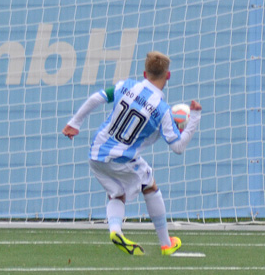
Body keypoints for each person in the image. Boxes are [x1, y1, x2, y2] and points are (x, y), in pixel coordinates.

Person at [62, 51, 201, 255]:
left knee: (117, 193)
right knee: (150, 185)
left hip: (96, 153)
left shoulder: (125, 85)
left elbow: (96, 98)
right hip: (121, 158)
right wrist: (195, 118)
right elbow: (177, 147)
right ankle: (166, 244)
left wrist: (74, 123)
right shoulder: (162, 110)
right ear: (168, 76)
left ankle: (115, 230)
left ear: (145, 74)